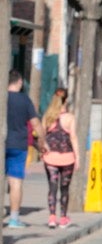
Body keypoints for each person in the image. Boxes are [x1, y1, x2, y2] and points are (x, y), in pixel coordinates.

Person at [36, 89, 75, 229]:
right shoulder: (70, 118)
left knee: (52, 187)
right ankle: (63, 218)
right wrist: (79, 158)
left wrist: (42, 151)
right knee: (64, 188)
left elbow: (42, 137)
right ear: (66, 100)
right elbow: (74, 139)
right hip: (68, 158)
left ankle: (52, 218)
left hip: (50, 157)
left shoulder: (47, 116)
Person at [5, 70, 38, 228]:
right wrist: (43, 142)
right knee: (16, 182)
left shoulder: (2, 98)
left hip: (2, 142)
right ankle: (14, 219)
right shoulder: (25, 100)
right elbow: (36, 123)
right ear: (19, 82)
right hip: (18, 145)